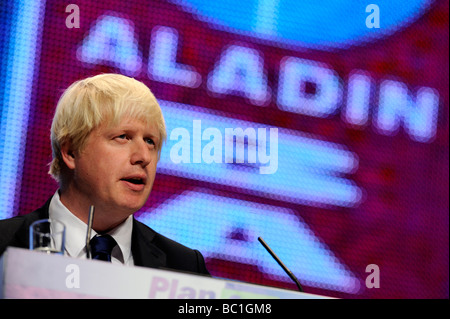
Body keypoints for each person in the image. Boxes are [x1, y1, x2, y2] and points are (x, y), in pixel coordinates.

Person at [0, 73, 209, 275]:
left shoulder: (185, 267)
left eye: (150, 141)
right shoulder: (4, 247)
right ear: (71, 151)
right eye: (123, 137)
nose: (144, 156)